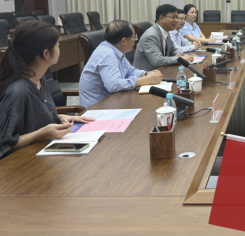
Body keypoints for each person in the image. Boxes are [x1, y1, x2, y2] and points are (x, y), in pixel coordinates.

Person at [0, 21, 94, 159]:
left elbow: (33, 118)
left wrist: (60, 117)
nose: (59, 47)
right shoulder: (17, 92)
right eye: (57, 45)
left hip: (44, 154)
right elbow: (4, 144)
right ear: (45, 53)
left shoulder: (39, 78)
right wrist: (42, 133)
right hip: (23, 162)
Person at [79, 20, 164, 108]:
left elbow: (130, 70)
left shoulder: (115, 50)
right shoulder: (107, 55)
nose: (136, 40)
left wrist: (145, 74)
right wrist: (145, 80)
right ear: (123, 41)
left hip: (112, 101)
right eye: (133, 36)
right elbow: (114, 85)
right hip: (96, 109)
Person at [134, 4, 194, 72]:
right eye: (173, 17)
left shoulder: (166, 31)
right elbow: (158, 61)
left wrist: (178, 54)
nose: (176, 20)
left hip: (161, 71)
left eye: (177, 17)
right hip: (146, 75)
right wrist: (180, 59)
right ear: (161, 18)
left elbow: (173, 49)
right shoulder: (151, 36)